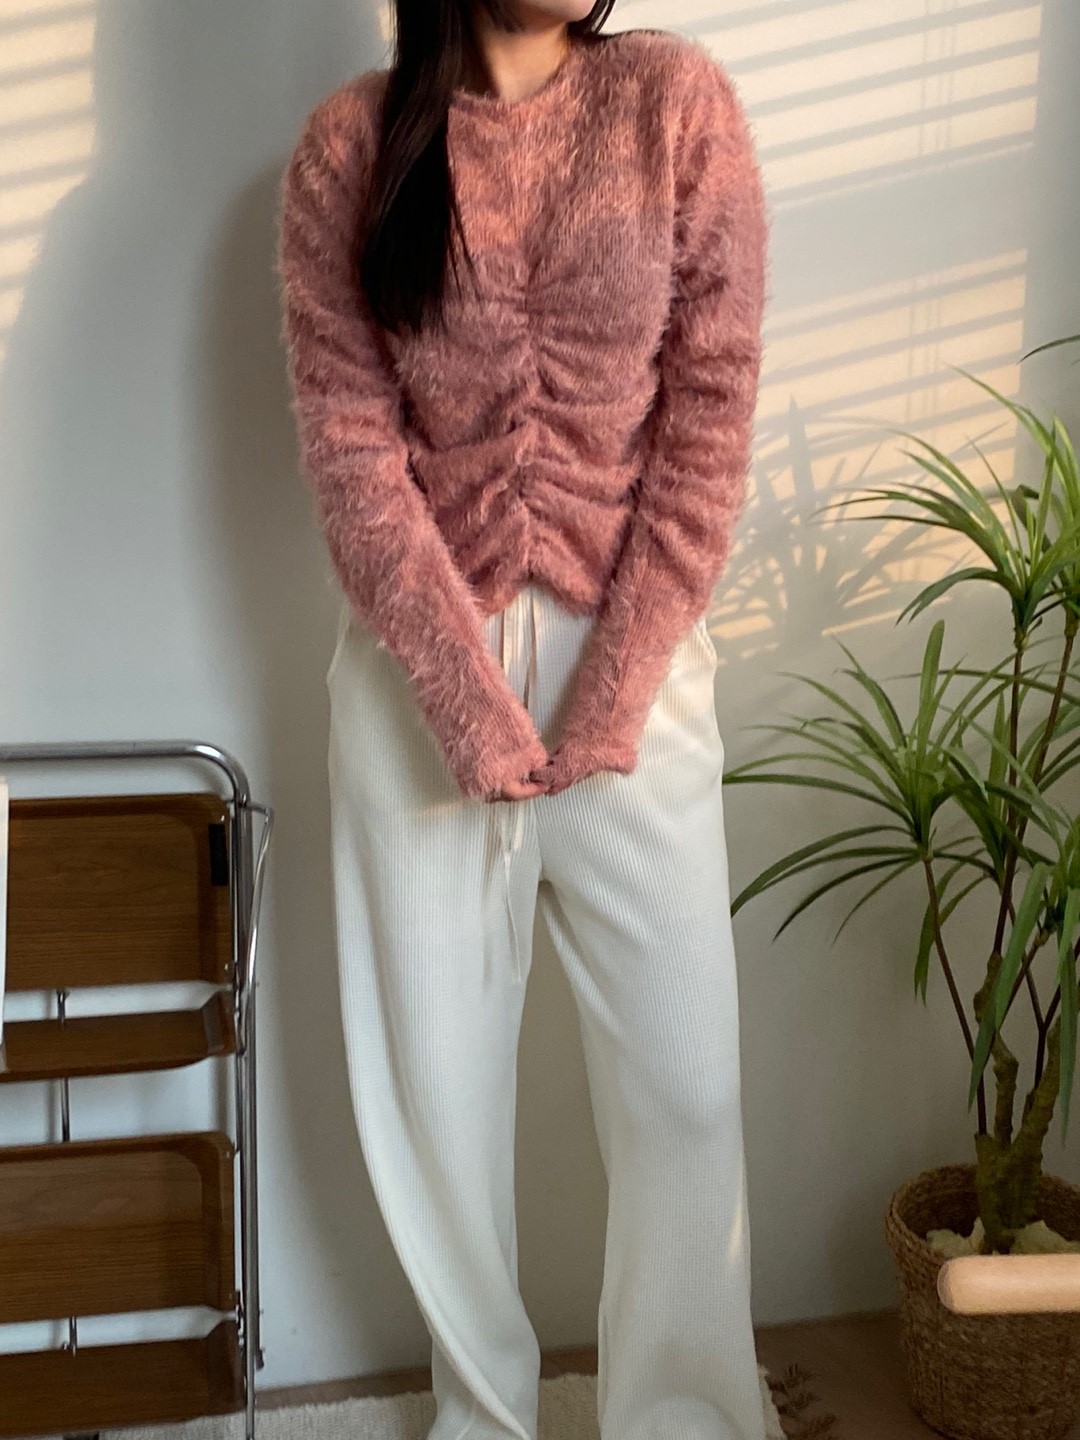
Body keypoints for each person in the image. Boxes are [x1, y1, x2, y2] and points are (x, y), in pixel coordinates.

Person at [275, 3, 769, 1438]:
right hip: (417, 683)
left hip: (638, 664)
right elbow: (351, 451)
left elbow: (711, 413)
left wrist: (614, 688)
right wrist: (462, 700)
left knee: (684, 1090)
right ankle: (482, 1418)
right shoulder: (351, 148)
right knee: (436, 1102)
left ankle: (682, 1417)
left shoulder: (674, 104)